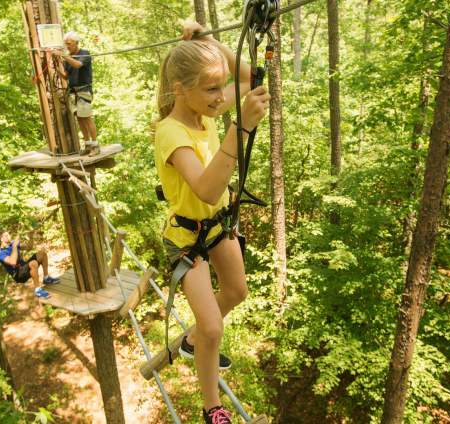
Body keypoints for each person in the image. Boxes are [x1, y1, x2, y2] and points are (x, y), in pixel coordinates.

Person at [154, 21, 270, 424]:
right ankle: (212, 408)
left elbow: (248, 76)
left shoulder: (207, 110)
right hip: (187, 238)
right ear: (180, 90)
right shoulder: (171, 132)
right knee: (213, 327)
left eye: (221, 88)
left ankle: (191, 339)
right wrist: (241, 129)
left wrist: (206, 39)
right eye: (211, 89)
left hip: (218, 226)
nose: (222, 97)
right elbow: (204, 189)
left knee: (237, 292)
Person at [55, 31, 98, 151]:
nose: (67, 46)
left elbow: (78, 65)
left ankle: (95, 146)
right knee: (80, 119)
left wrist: (64, 56)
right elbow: (66, 76)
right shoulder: (68, 58)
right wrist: (57, 67)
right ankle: (88, 144)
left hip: (84, 91)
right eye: (66, 44)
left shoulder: (84, 54)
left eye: (69, 44)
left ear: (76, 43)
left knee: (87, 118)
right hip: (73, 92)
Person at [0, 229, 60, 299]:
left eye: (8, 234)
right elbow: (13, 262)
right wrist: (14, 246)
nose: (9, 236)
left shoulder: (12, 244)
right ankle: (38, 290)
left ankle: (46, 278)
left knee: (42, 254)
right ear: (1, 239)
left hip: (24, 267)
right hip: (18, 274)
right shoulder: (0, 253)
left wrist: (31, 237)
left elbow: (29, 247)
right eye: (6, 235)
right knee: (33, 263)